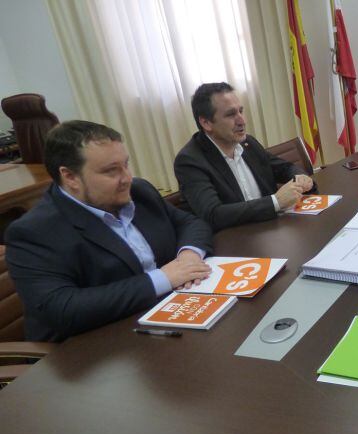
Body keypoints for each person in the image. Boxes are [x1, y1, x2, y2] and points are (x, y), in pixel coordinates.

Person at [5, 120, 213, 342]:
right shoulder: (33, 232)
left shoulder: (139, 192)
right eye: (111, 171)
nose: (127, 178)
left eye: (126, 164)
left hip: (168, 319)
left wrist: (188, 256)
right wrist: (163, 278)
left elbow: (190, 223)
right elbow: (63, 308)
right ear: (70, 177)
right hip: (88, 353)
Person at [174, 82, 315, 232]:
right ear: (206, 123)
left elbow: (285, 168)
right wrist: (276, 201)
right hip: (235, 242)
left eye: (241, 111)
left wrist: (299, 177)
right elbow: (214, 214)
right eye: (231, 114)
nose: (242, 121)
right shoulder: (189, 161)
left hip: (273, 229)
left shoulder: (248, 143)